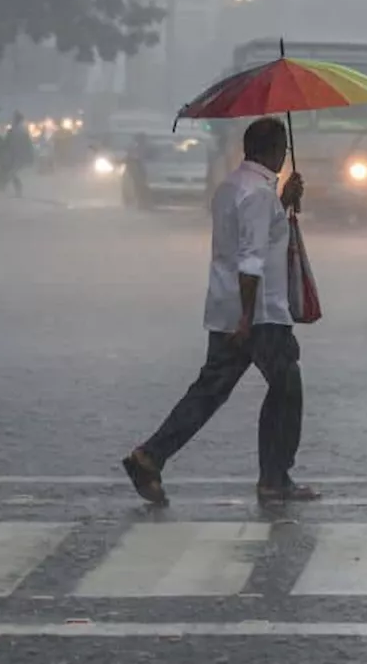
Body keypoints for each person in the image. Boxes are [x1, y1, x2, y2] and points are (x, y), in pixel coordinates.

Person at [121, 117, 316, 505]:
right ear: (275, 150)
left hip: (227, 307)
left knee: (210, 391)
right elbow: (251, 259)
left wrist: (283, 203)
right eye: (283, 150)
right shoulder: (258, 194)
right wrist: (247, 318)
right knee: (286, 388)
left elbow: (252, 234)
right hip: (259, 314)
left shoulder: (232, 187)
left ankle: (150, 456)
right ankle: (275, 479)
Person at [2, 113, 34, 196]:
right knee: (11, 173)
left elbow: (7, 142)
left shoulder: (17, 131)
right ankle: (10, 189)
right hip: (14, 155)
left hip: (16, 156)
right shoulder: (21, 131)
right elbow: (28, 144)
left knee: (12, 173)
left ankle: (12, 190)